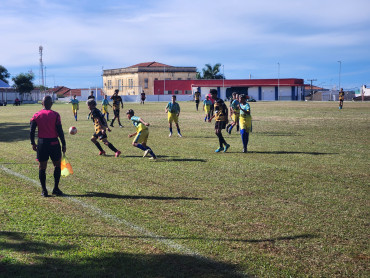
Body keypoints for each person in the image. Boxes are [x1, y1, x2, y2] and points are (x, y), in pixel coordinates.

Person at [30, 95, 66, 197]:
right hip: (54, 143)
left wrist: (33, 143)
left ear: (42, 103)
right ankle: (56, 188)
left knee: (42, 167)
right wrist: (64, 144)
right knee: (57, 165)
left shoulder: (36, 115)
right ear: (51, 104)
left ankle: (44, 190)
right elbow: (60, 131)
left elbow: (32, 130)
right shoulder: (56, 115)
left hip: (42, 144)